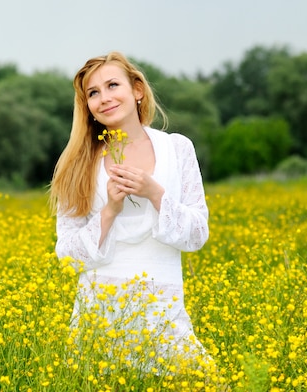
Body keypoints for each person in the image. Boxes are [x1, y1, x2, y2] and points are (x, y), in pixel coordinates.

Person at [49, 51, 211, 373]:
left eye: (112, 85)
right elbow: (68, 255)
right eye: (93, 93)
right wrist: (110, 209)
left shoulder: (177, 149)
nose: (104, 98)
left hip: (164, 310)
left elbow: (197, 235)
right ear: (87, 107)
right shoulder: (78, 164)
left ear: (137, 89)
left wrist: (154, 193)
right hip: (100, 316)